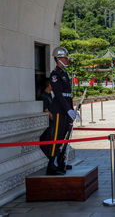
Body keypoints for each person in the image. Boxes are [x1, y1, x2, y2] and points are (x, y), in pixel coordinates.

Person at [47, 46, 79, 175]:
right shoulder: (55, 74)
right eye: (65, 58)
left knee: (64, 135)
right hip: (59, 109)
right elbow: (59, 95)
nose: (67, 60)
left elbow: (67, 95)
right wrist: (67, 110)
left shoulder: (64, 73)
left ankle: (59, 161)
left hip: (65, 108)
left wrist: (72, 110)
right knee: (57, 135)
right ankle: (52, 165)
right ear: (59, 59)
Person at [39, 78, 53, 159]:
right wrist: (54, 119)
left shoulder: (50, 95)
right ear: (49, 85)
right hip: (47, 124)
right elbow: (46, 110)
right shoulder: (43, 96)